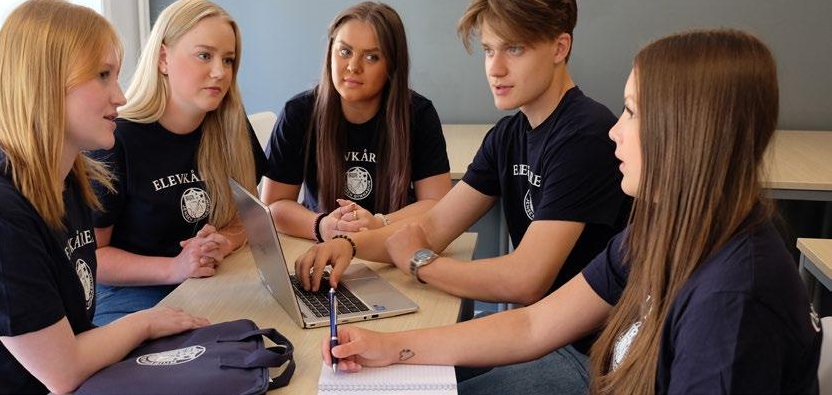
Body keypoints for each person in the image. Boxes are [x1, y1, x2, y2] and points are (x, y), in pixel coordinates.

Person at [323, 29, 822, 394]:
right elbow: (534, 325)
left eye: (632, 112)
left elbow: (527, 294)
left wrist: (419, 268)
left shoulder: (733, 302)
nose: (615, 131)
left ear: (687, 132)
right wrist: (390, 347)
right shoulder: (663, 230)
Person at [296, 0, 628, 390]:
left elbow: (525, 280)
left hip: (587, 352)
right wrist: (348, 245)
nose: (496, 68)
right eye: (489, 50)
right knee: (381, 378)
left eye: (515, 49)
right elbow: (433, 227)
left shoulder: (585, 134)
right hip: (534, 332)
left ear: (560, 48)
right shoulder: (508, 136)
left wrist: (423, 265)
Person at [0, 0, 209, 394]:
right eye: (103, 75)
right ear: (46, 83)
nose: (120, 96)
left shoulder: (70, 177)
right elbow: (62, 371)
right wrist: (147, 321)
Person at [90, 0, 267, 325]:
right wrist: (174, 267)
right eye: (204, 55)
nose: (220, 72)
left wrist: (223, 243)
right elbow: (92, 259)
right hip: (130, 293)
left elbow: (248, 220)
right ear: (163, 59)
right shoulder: (115, 139)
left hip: (206, 280)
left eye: (228, 60)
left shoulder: (231, 126)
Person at [261, 1, 452, 243]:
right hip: (319, 245)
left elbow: (437, 205)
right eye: (345, 52)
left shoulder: (419, 114)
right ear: (330, 53)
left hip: (392, 244)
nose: (353, 66)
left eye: (371, 57)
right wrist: (323, 226)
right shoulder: (299, 112)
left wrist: (380, 223)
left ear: (392, 65)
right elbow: (273, 205)